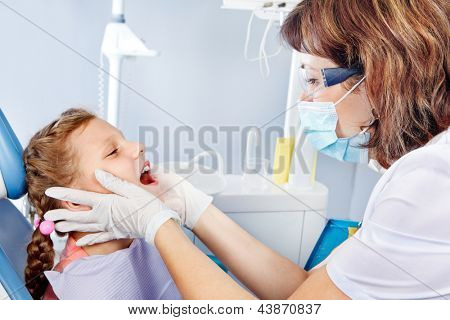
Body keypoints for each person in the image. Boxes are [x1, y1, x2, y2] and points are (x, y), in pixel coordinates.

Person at [44, 0, 449, 299]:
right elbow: (306, 294)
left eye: (312, 79)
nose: (305, 100)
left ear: (377, 74)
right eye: (112, 152)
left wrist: (160, 225)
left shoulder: (430, 182)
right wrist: (190, 207)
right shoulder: (87, 287)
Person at [23, 108, 181, 300]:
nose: (139, 146)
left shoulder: (139, 236)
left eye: (123, 139)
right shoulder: (83, 291)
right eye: (113, 151)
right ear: (75, 200)